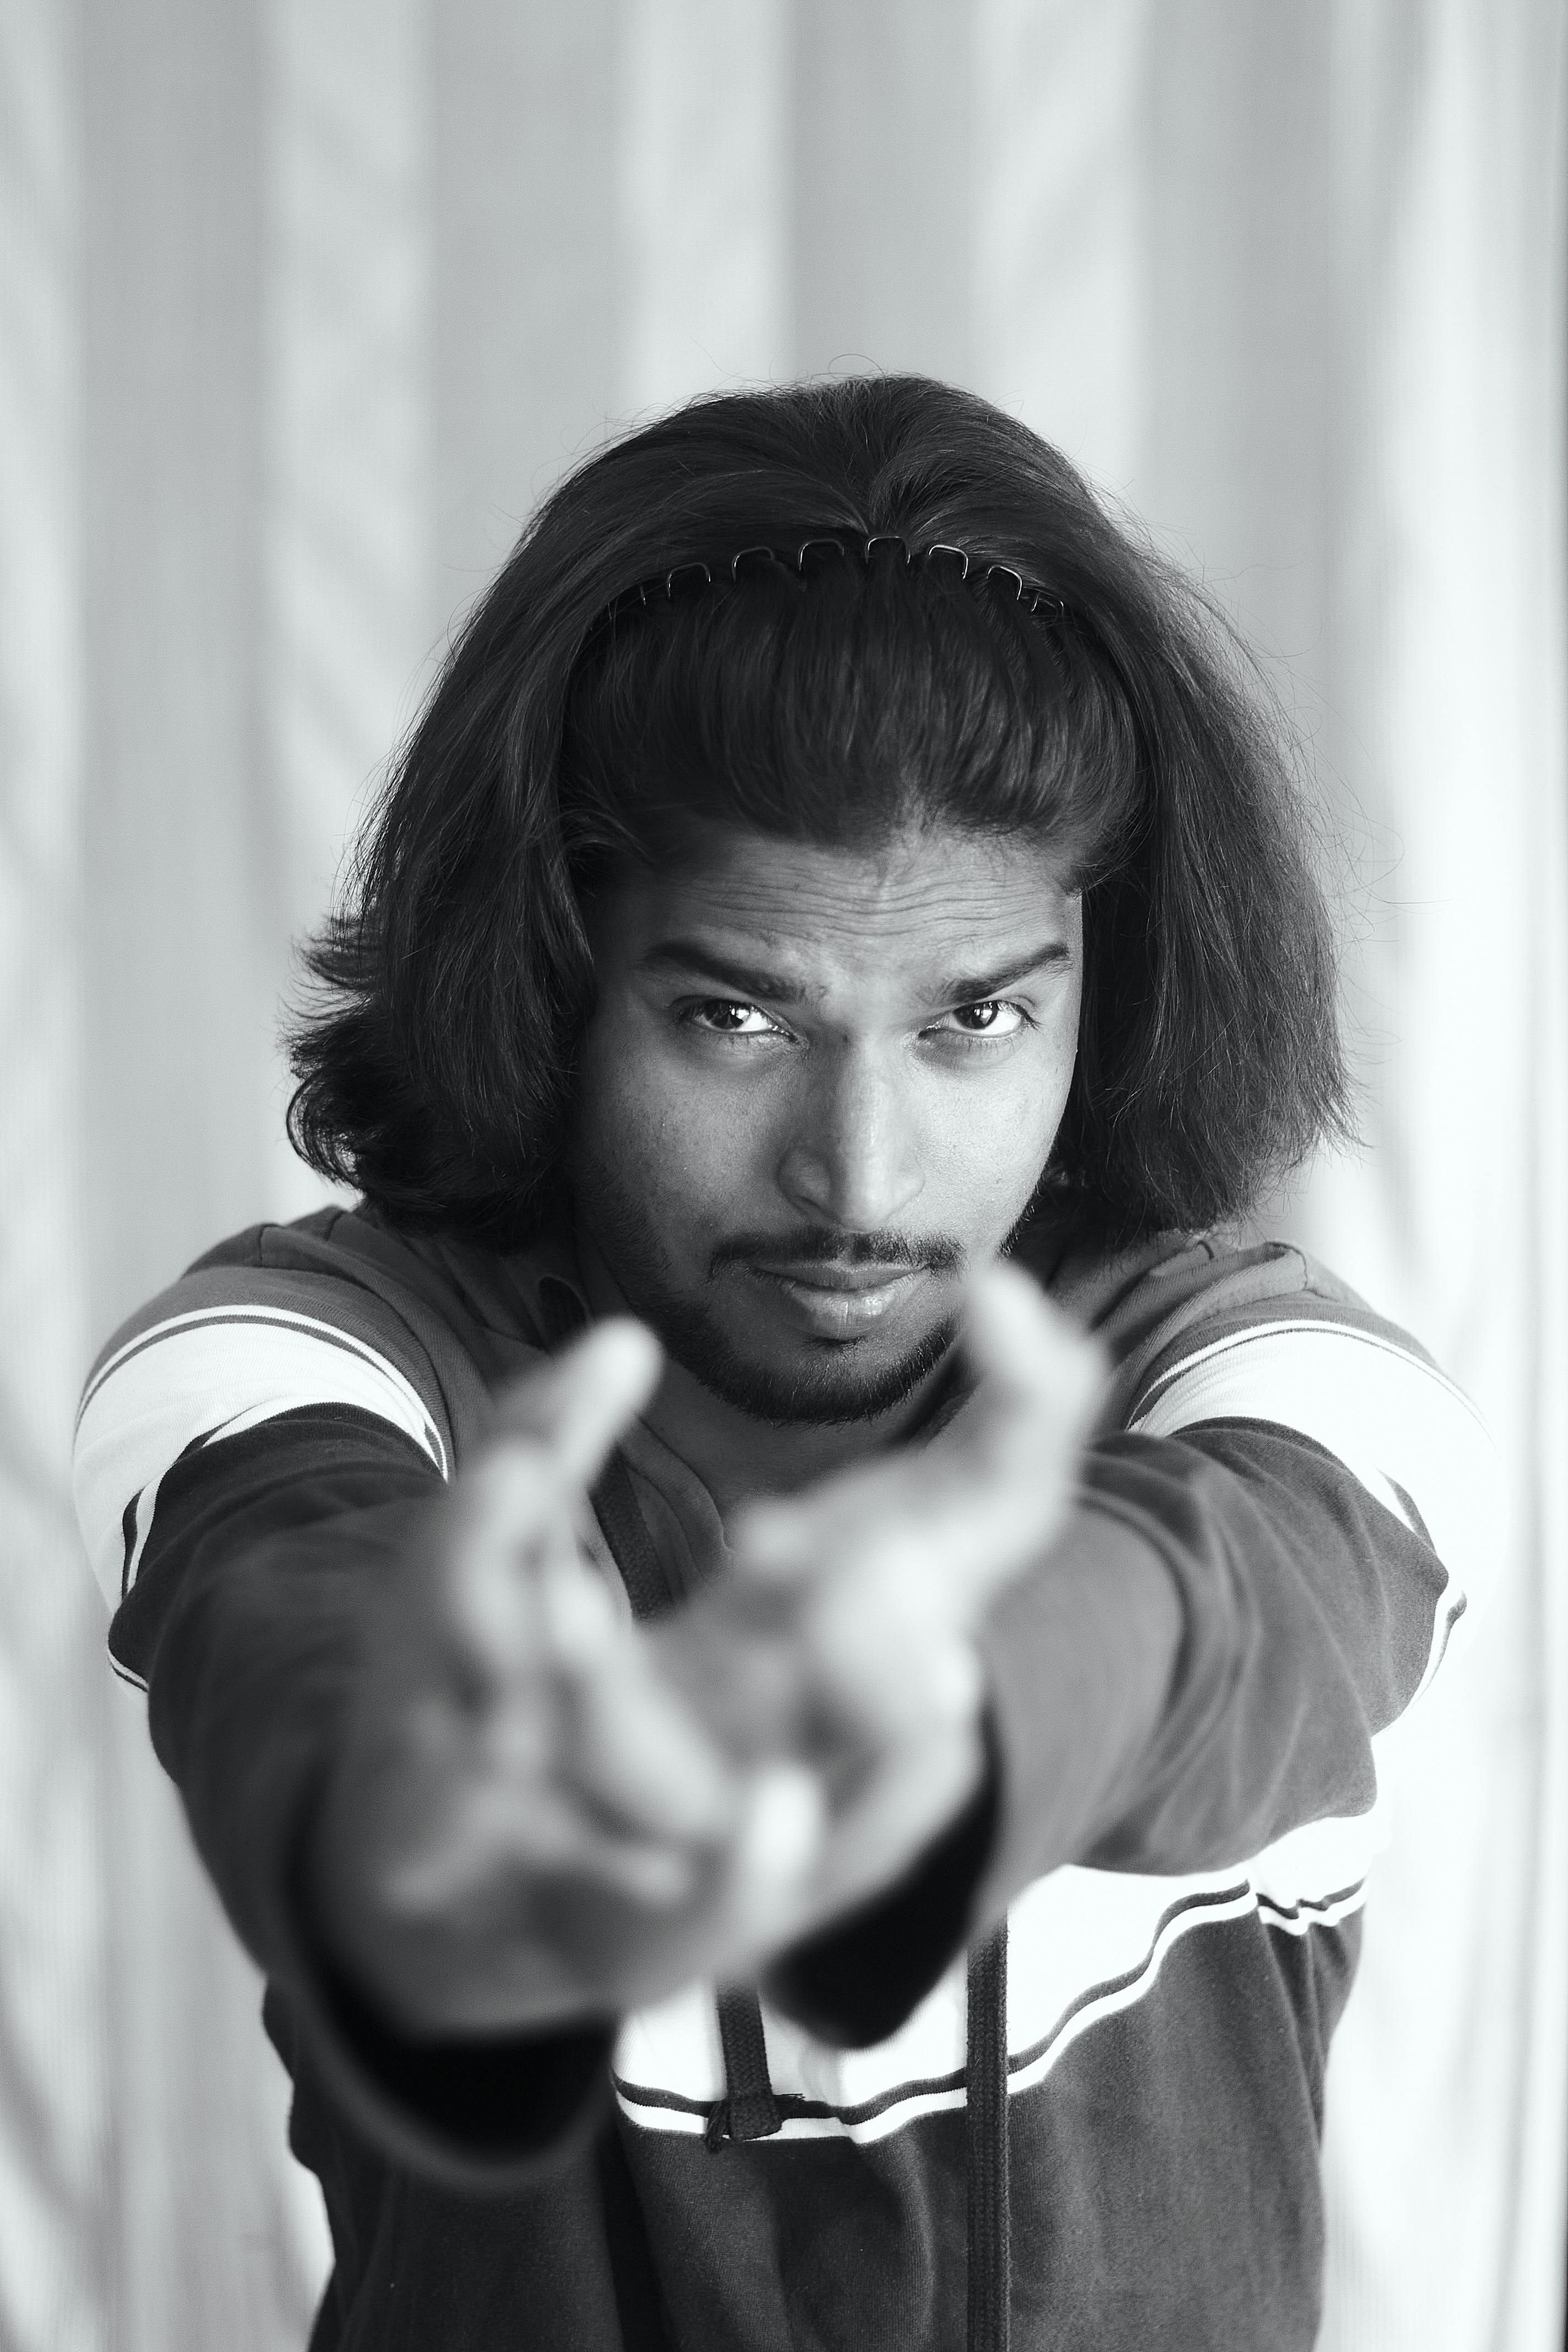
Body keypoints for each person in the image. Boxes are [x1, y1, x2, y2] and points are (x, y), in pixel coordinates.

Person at [73, 377, 1494, 2352]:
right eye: (737, 1015)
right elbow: (295, 1602)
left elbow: (1261, 1590)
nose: (862, 1172)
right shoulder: (277, 1363)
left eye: (976, 1015)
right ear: (556, 965)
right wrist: (438, 1825)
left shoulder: (1288, 1383)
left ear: (1116, 981)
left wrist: (962, 1712)